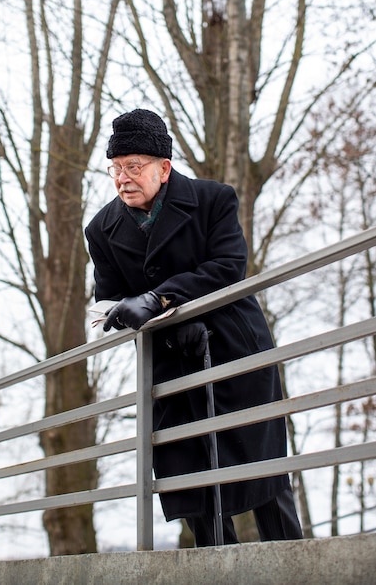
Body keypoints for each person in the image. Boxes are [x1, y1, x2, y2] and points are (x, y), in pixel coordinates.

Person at [85, 108, 303, 547]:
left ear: (163, 168)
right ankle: (215, 569)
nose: (123, 177)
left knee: (261, 466)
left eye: (134, 166)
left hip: (233, 348)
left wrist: (161, 298)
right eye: (115, 168)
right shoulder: (101, 228)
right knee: (187, 477)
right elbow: (109, 298)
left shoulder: (213, 199)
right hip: (169, 361)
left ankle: (293, 562)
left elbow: (228, 266)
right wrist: (127, 313)